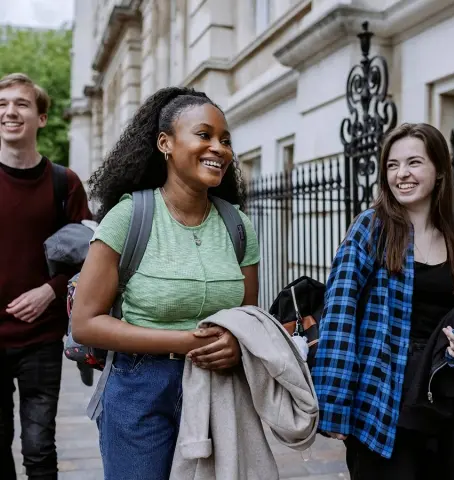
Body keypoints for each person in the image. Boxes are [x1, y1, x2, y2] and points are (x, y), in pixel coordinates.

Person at [70, 87, 260, 480]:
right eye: (204, 135)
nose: (219, 148)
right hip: (139, 390)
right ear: (165, 143)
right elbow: (86, 323)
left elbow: (248, 318)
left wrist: (236, 345)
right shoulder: (130, 216)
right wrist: (183, 342)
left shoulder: (238, 225)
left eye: (225, 140)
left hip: (217, 391)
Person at [313, 123, 454, 479]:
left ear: (439, 172)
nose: (401, 174)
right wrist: (334, 404)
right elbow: (340, 317)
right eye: (392, 165)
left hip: (446, 396)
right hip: (383, 398)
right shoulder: (370, 229)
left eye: (414, 163)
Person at [0, 73, 91, 479]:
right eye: (2, 105)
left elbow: (92, 257)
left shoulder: (64, 183)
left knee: (38, 448)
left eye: (20, 103)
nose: (9, 112)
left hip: (40, 338)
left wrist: (50, 291)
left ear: (41, 118)